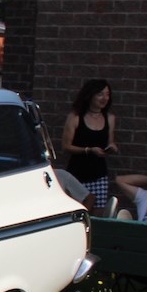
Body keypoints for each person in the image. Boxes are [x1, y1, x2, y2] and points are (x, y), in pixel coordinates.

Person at [61, 79, 118, 209]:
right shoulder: (75, 117)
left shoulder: (110, 118)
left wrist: (111, 147)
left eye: (107, 94)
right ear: (90, 95)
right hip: (77, 172)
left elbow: (110, 142)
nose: (104, 98)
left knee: (98, 210)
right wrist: (88, 150)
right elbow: (66, 146)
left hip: (99, 173)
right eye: (100, 94)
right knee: (76, 208)